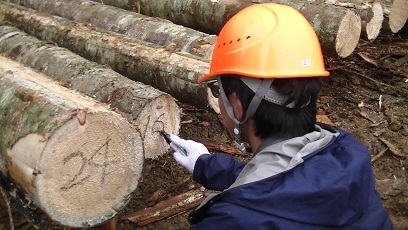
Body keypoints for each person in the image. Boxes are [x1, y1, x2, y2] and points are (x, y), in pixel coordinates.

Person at [169, 3, 394, 229]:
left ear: (237, 105)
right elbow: (283, 179)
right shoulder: (347, 155)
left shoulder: (232, 220)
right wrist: (206, 165)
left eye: (217, 90)